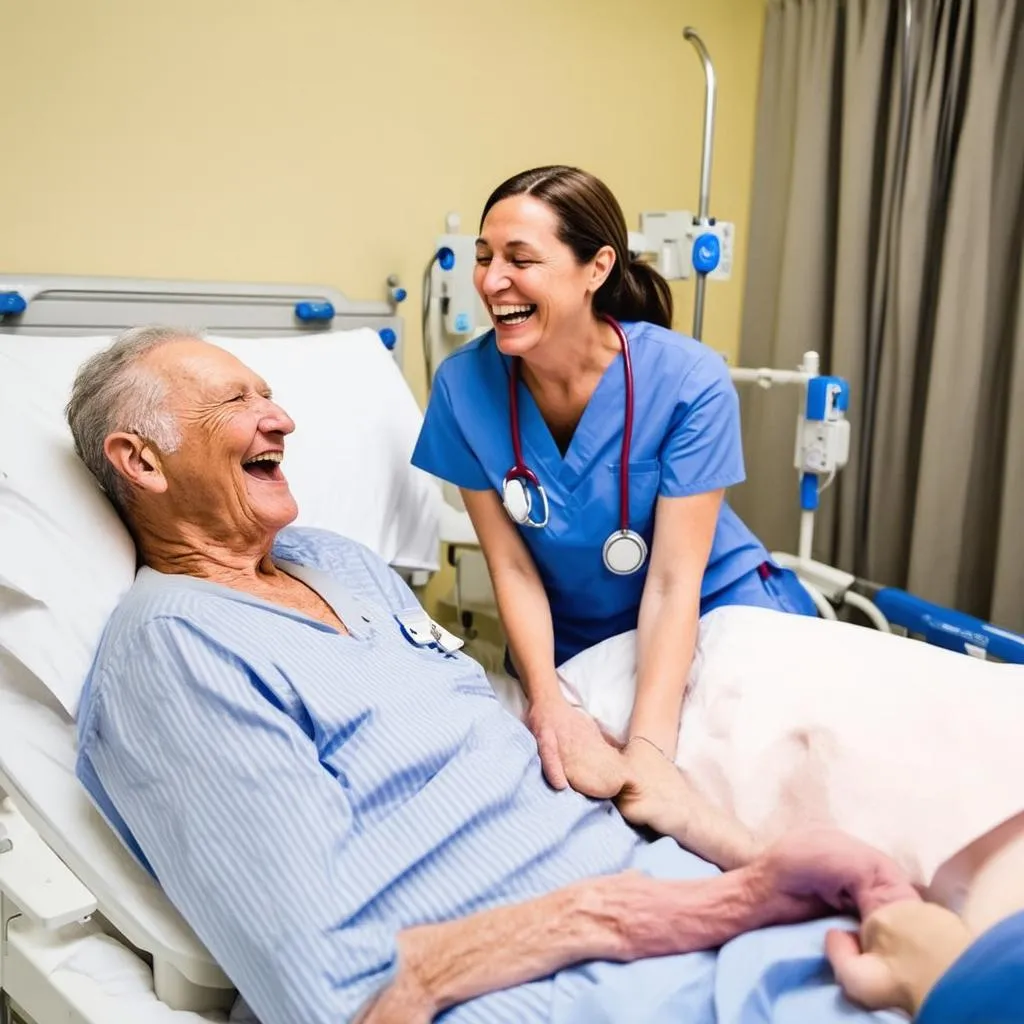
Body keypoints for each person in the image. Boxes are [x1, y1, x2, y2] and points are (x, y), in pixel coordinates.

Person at [69, 327, 917, 1024]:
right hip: (548, 982)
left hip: (666, 904)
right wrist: (705, 907)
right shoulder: (173, 652)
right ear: (142, 462)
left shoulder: (338, 564)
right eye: (237, 402)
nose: (280, 417)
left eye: (268, 392)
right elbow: (338, 991)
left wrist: (748, 860)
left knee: (964, 961)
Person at [410, 165, 816, 798]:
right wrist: (545, 699)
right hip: (575, 639)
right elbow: (511, 568)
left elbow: (675, 580)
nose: (492, 281)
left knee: (752, 781)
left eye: (522, 259)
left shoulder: (687, 381)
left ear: (596, 268)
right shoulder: (464, 386)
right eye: (484, 257)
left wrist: (650, 748)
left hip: (715, 607)